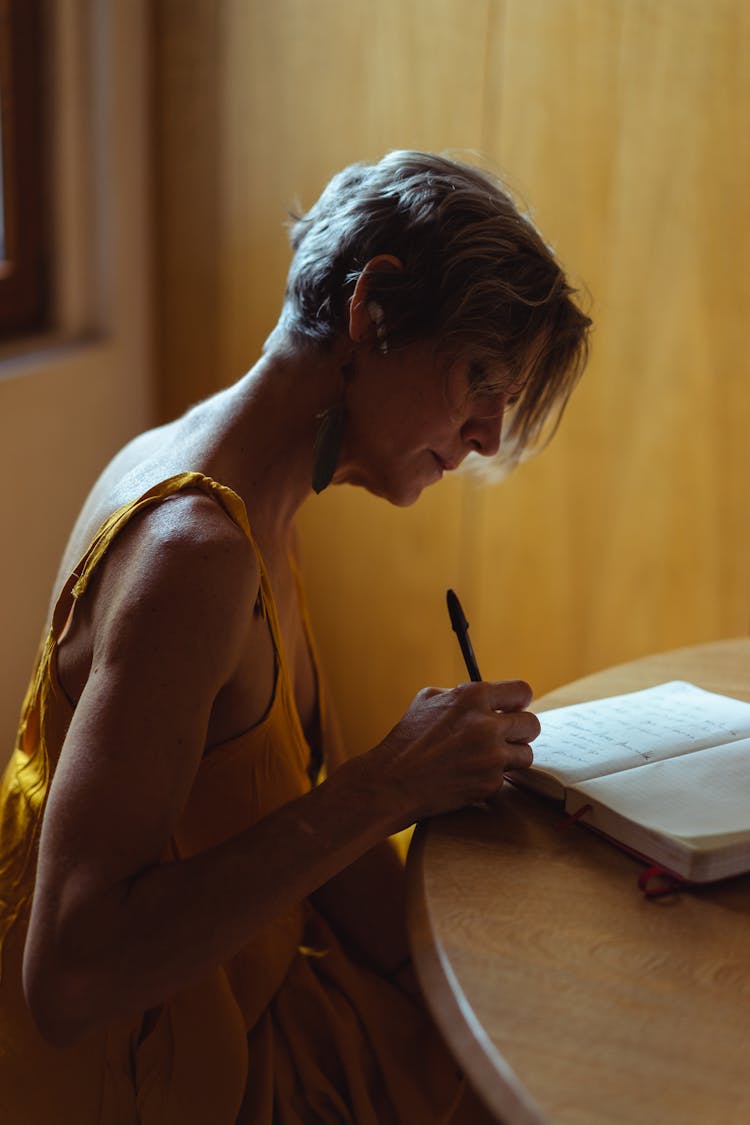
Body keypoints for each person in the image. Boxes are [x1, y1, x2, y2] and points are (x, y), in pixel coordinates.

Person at [0, 150, 591, 1124]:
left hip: (256, 993)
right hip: (158, 1082)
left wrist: (466, 975)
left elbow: (264, 805)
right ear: (376, 309)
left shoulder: (253, 497)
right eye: (480, 376)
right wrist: (386, 785)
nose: (488, 434)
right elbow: (69, 976)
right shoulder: (193, 553)